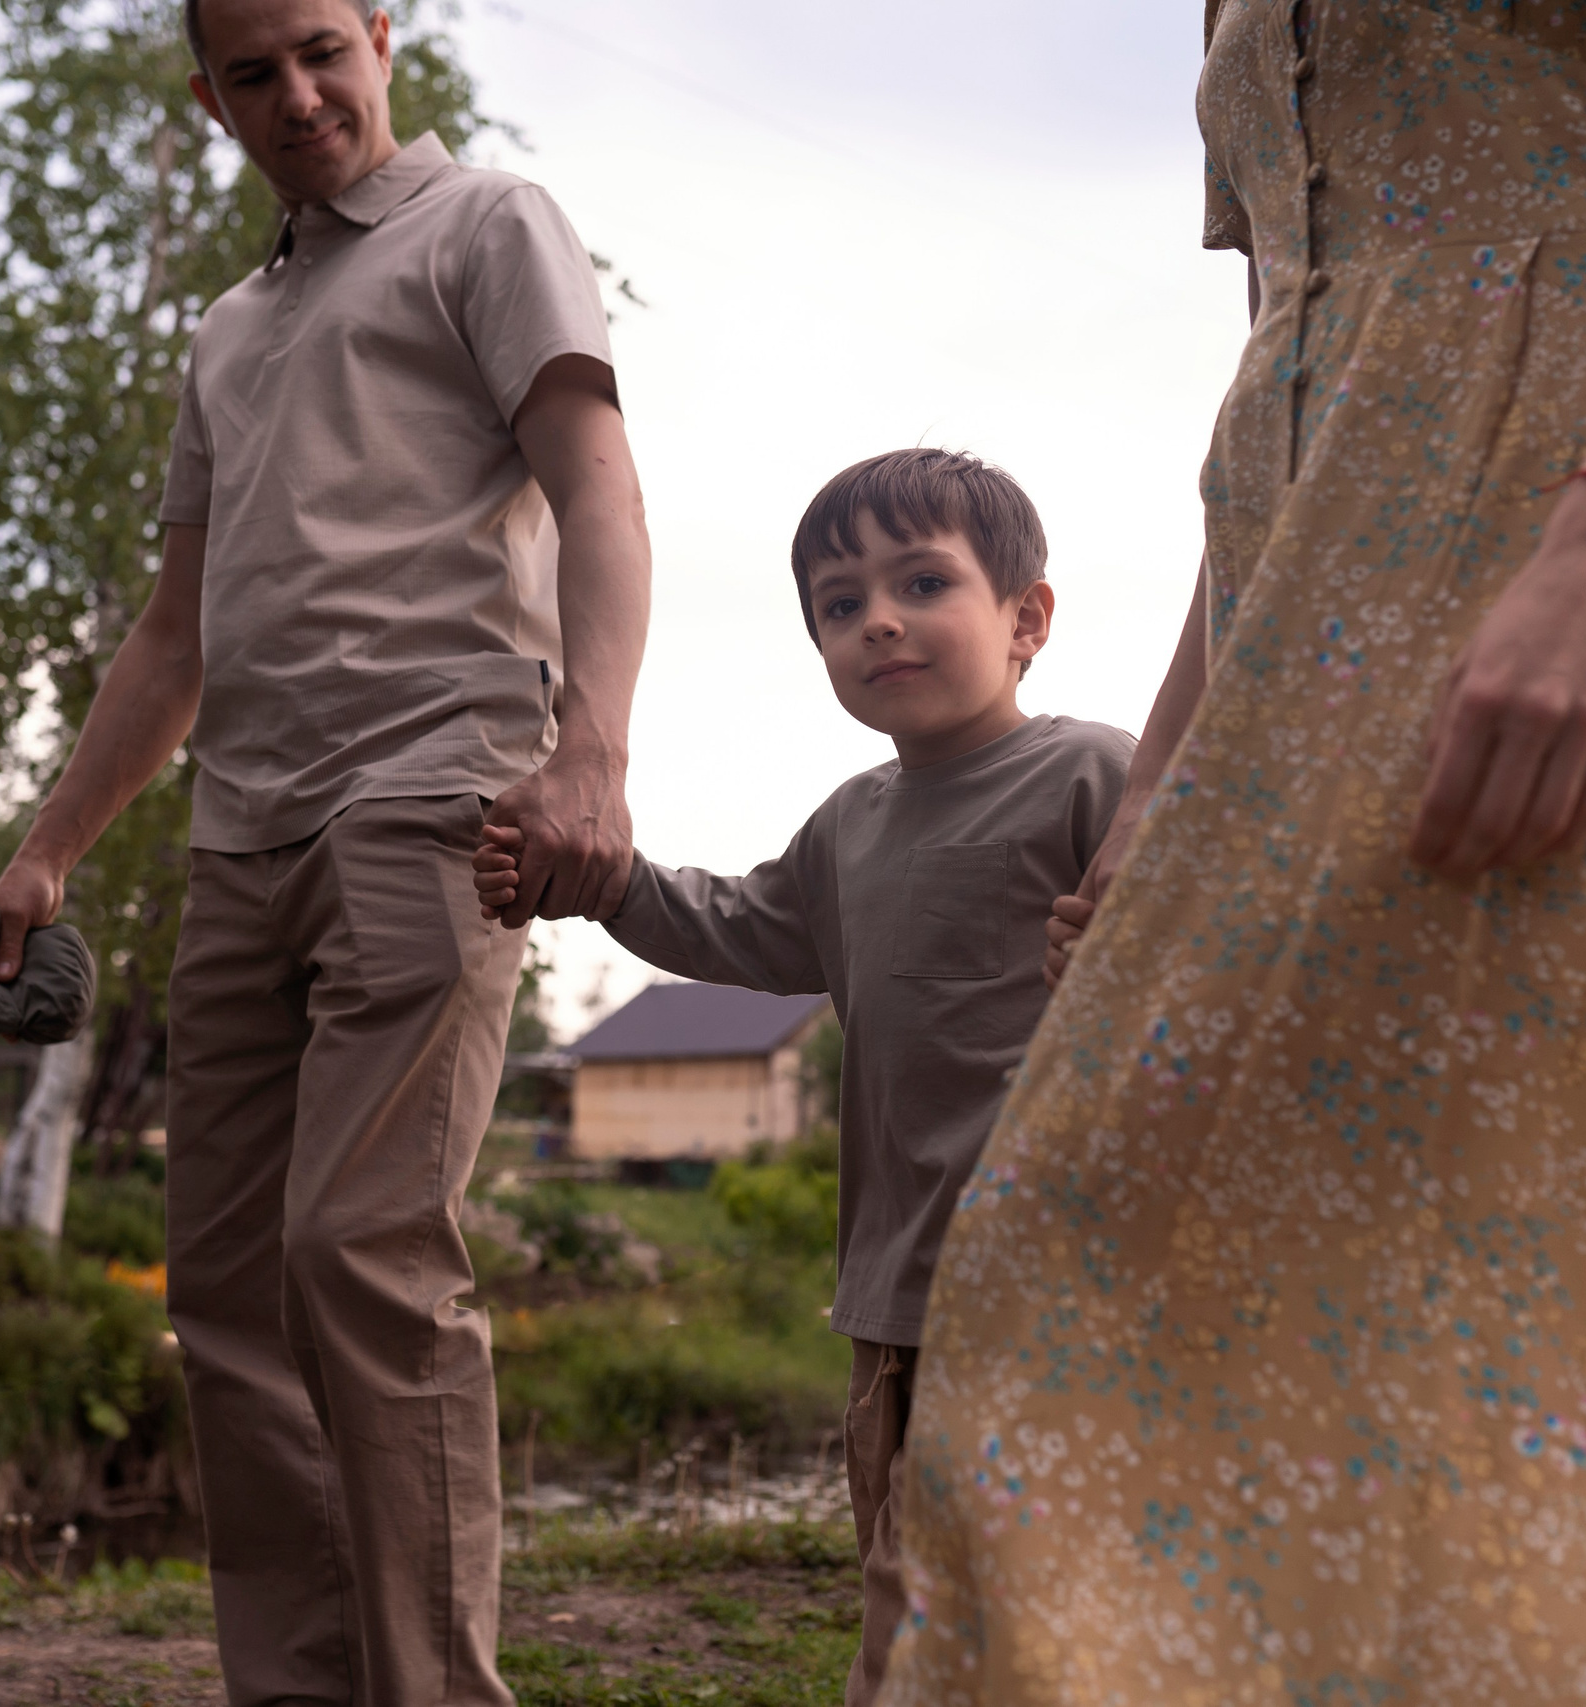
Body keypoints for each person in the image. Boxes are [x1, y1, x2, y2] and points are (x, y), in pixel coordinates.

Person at [885, 2, 1586, 1702]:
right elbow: (1297, 361)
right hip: (1312, 609)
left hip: (1574, 547)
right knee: (1092, 1268)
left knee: (1556, 1299)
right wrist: (1164, 776)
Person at [0, 0, 651, 1699]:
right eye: (254, 75)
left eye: (321, 50)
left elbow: (597, 490)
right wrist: (49, 854)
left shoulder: (488, 226)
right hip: (244, 830)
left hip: (436, 793)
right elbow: (171, 637)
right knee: (223, 1288)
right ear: (212, 100)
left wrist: (591, 747)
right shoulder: (227, 331)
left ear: (378, 39)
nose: (299, 96)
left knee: (359, 1246)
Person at [474, 449, 1134, 1707]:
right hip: (896, 1305)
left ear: (1026, 618)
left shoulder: (1100, 779)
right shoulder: (850, 824)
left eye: (922, 581)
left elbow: (1218, 946)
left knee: (1041, 1621)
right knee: (911, 1602)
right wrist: (604, 881)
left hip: (1068, 1296)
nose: (876, 618)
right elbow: (737, 928)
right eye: (838, 605)